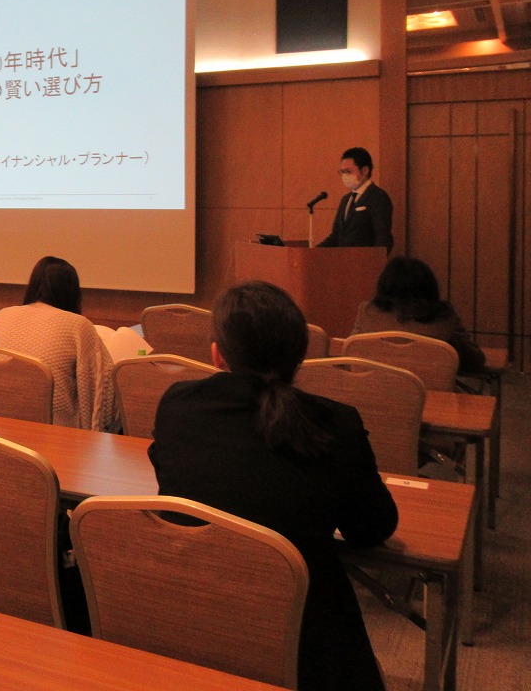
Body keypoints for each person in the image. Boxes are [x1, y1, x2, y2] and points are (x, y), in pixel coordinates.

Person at [148, 281, 398, 691]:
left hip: (190, 614)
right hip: (301, 643)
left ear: (217, 354)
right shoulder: (336, 424)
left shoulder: (177, 405)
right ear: (301, 356)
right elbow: (372, 528)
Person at [0, 256, 112, 430]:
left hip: (0, 427)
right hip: (55, 431)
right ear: (72, 291)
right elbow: (102, 386)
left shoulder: (3, 316)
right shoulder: (78, 325)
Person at [353, 256, 486, 378]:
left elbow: (352, 351)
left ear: (383, 286)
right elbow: (475, 359)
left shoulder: (367, 311)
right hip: (431, 393)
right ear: (430, 287)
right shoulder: (444, 316)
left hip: (373, 389)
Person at [316, 146, 393, 252]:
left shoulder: (378, 197)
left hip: (364, 259)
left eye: (348, 171)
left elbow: (383, 236)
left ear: (365, 170)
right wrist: (313, 252)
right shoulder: (346, 200)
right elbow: (336, 236)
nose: (345, 176)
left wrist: (375, 258)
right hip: (344, 259)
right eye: (342, 172)